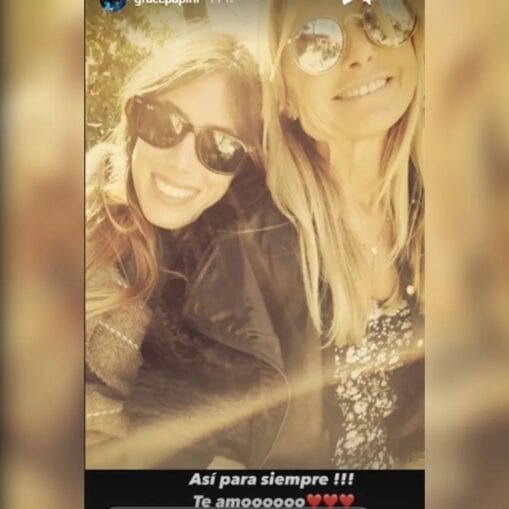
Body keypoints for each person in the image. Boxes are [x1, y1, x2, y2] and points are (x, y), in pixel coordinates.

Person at [85, 27, 265, 457]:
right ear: (134, 119)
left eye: (222, 146)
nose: (182, 163)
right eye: (164, 123)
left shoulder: (238, 272)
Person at [260, 0, 425, 467]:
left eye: (384, 17)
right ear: (285, 95)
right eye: (318, 39)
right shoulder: (250, 238)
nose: (361, 52)